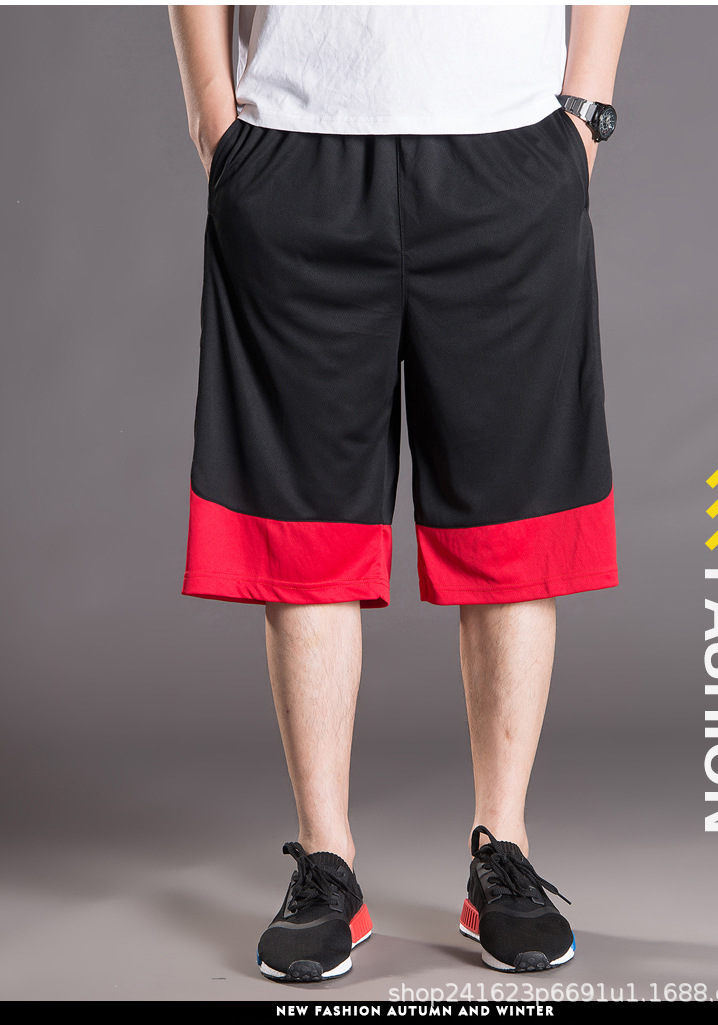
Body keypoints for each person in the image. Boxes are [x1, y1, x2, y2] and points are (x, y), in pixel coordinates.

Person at [169, 3, 629, 983]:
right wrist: (214, 115)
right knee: (305, 530)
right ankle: (326, 865)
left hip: (507, 147)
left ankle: (502, 851)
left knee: (511, 526)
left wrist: (583, 115)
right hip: (296, 146)